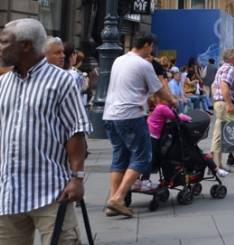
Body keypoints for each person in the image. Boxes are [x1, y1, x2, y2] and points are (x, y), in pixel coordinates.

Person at [0, 20, 91, 244]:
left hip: (51, 191)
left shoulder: (61, 82)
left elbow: (76, 131)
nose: (0, 47)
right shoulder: (3, 83)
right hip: (9, 191)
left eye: (4, 42)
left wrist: (77, 178)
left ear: (25, 45)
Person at [102, 32, 176, 217]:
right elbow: (158, 90)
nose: (152, 51)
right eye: (152, 47)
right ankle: (118, 198)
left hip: (111, 115)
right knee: (142, 157)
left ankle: (113, 200)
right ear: (147, 45)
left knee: (120, 157)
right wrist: (173, 102)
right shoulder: (143, 64)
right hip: (130, 115)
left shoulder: (119, 60)